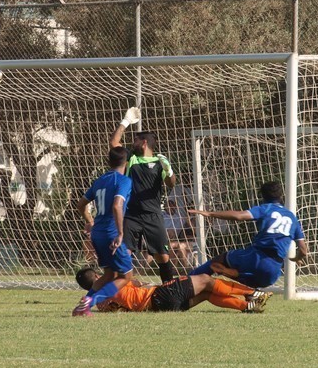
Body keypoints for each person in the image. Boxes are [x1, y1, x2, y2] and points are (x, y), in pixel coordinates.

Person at [188, 180, 308, 289]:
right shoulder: (292, 217)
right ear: (281, 196)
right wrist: (297, 258)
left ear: (262, 196)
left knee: (219, 260)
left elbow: (238, 216)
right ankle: (240, 280)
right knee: (255, 283)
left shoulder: (265, 209)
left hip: (256, 257)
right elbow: (303, 250)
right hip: (274, 270)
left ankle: (185, 282)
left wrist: (210, 214)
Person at [110, 107, 177, 282]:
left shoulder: (159, 162)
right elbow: (114, 144)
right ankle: (120, 293)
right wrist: (125, 122)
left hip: (154, 215)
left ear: (144, 143)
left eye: (135, 140)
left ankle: (170, 290)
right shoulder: (131, 158)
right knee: (124, 254)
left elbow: (171, 184)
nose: (132, 143)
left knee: (162, 256)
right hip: (131, 215)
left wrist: (169, 171)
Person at [72, 146, 133, 317]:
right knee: (126, 276)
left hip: (97, 233)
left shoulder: (99, 180)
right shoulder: (123, 181)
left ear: (109, 162)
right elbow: (117, 205)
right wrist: (120, 234)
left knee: (109, 274)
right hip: (111, 233)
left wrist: (90, 221)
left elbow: (80, 205)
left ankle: (82, 307)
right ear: (126, 163)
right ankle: (90, 302)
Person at [75, 267, 271, 314]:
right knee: (206, 279)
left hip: (160, 307)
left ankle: (248, 306)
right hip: (160, 295)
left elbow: (118, 307)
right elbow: (134, 280)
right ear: (97, 274)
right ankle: (251, 293)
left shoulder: (99, 302)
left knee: (205, 294)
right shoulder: (112, 280)